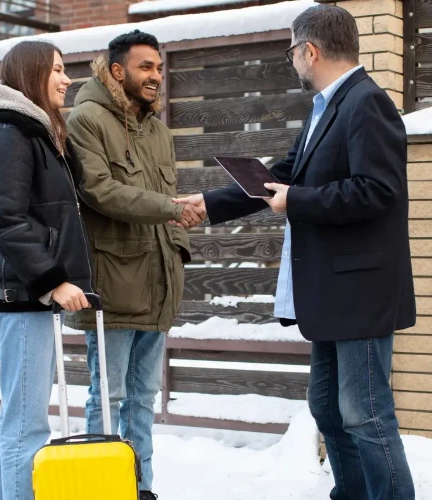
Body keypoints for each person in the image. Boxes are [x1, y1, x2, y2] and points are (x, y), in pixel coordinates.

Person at [175, 5, 417, 500]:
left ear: (310, 50)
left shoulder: (366, 103)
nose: (293, 62)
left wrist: (298, 202)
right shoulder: (328, 107)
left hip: (360, 293)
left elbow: (379, 191)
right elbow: (281, 175)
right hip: (332, 294)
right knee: (328, 407)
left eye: (292, 52)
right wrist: (209, 203)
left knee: (366, 413)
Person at [64, 30, 196, 500]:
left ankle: (140, 490)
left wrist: (177, 244)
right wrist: (170, 209)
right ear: (117, 71)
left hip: (158, 285)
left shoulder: (157, 129)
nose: (156, 76)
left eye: (159, 68)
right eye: (146, 67)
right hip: (114, 287)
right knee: (109, 397)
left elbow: (169, 196)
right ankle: (99, 490)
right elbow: (100, 192)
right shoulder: (86, 120)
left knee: (143, 402)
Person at [0, 40, 95, 500]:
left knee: (15, 422)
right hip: (22, 296)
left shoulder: (38, 134)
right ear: (31, 75)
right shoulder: (10, 136)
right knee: (26, 427)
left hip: (29, 297)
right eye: (58, 71)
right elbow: (6, 221)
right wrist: (54, 280)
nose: (67, 80)